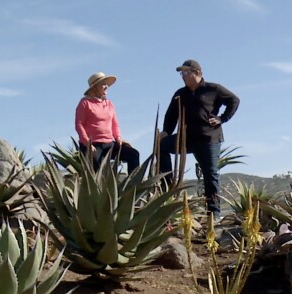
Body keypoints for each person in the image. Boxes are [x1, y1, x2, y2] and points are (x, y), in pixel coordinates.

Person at [158, 59, 239, 217]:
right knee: (161, 146)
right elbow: (171, 115)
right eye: (182, 73)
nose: (184, 76)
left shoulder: (213, 89)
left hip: (209, 138)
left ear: (197, 73)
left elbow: (234, 100)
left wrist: (223, 118)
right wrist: (166, 131)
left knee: (210, 174)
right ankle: (168, 187)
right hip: (186, 138)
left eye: (187, 73)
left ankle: (213, 214)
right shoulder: (180, 94)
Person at [75, 72, 140, 173]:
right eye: (103, 84)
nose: (106, 87)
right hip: (93, 146)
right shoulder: (84, 103)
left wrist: (118, 138)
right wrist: (88, 144)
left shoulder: (109, 104)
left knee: (133, 154)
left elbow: (115, 124)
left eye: (107, 84)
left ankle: (133, 185)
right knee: (100, 172)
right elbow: (79, 125)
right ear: (95, 87)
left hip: (109, 143)